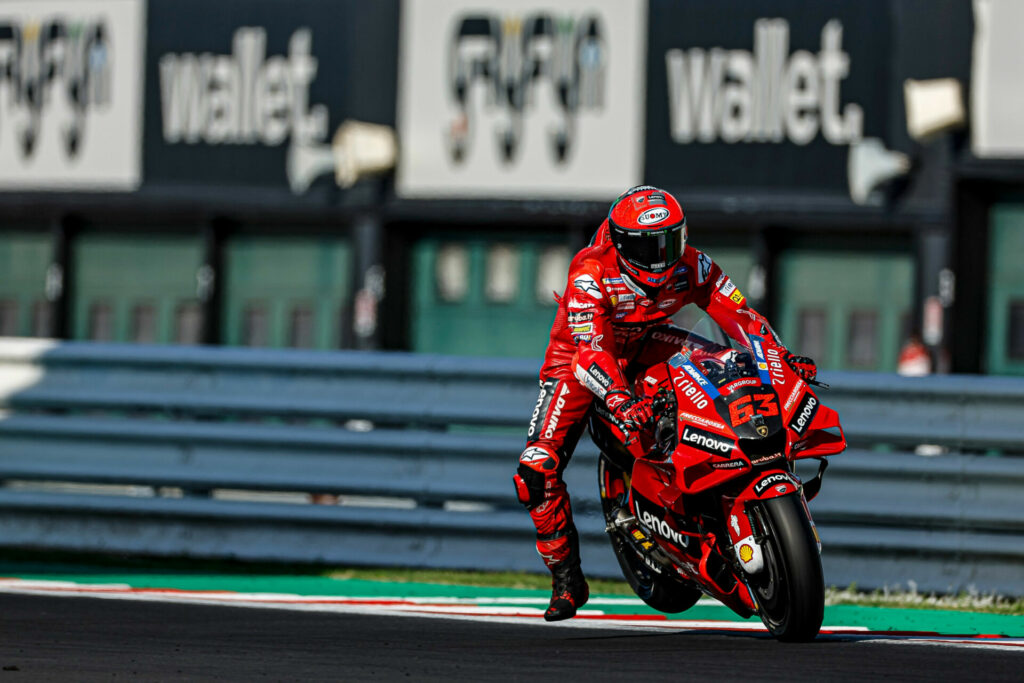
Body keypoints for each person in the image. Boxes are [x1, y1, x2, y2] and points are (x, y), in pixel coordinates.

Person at [512, 186, 818, 621]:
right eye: (645, 246)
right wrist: (617, 397)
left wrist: (781, 360)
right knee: (535, 471)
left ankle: (721, 478)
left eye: (668, 242)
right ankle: (567, 579)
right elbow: (592, 351)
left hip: (649, 342)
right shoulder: (590, 274)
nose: (659, 257)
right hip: (580, 359)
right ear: (619, 244)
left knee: (727, 362)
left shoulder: (694, 264)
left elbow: (742, 318)